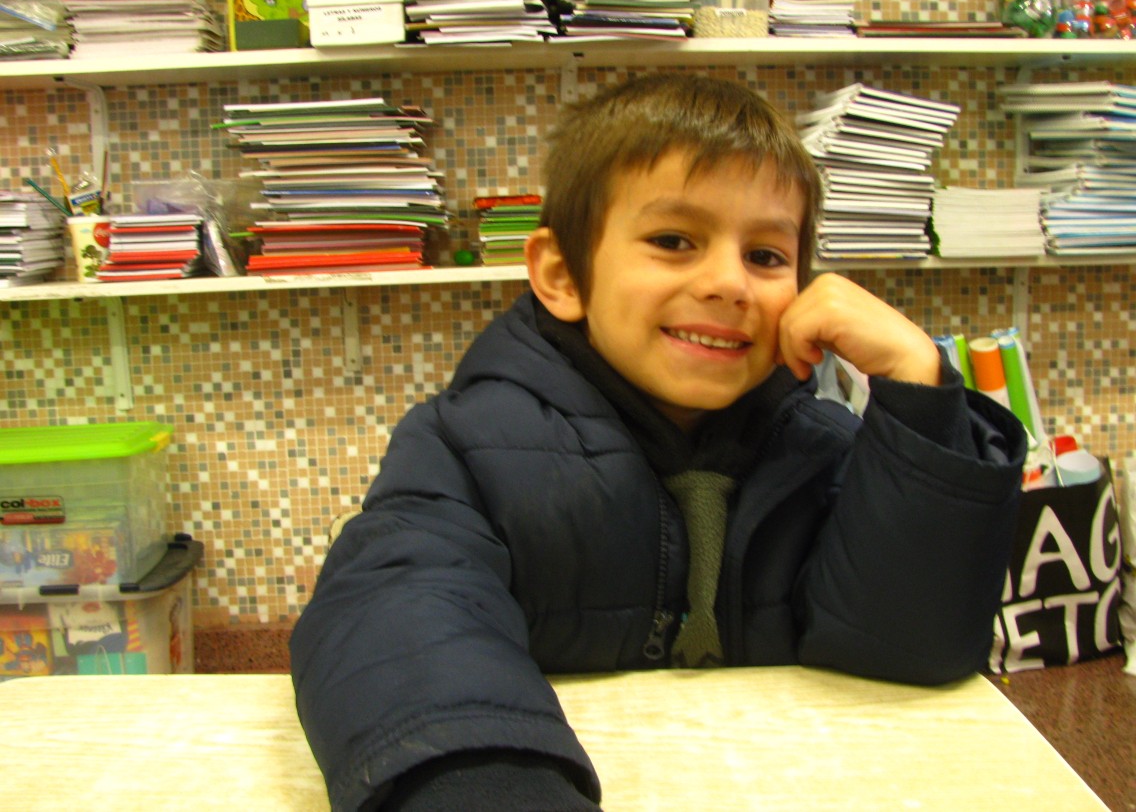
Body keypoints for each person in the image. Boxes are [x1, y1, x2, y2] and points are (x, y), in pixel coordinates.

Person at [290, 73, 1027, 811]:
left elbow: (907, 645)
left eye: (766, 256)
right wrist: (484, 781)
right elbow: (397, 610)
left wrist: (919, 394)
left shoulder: (827, 450)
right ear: (562, 275)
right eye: (674, 241)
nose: (729, 283)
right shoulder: (464, 446)